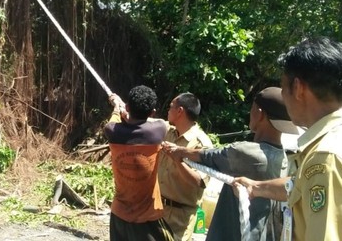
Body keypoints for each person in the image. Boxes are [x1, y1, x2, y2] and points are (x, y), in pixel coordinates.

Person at [234, 37, 342, 241]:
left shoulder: (328, 159)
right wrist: (256, 188)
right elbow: (300, 186)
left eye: (283, 88)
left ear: (298, 88)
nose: (283, 95)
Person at [165, 87, 299, 241]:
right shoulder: (282, 156)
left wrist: (180, 152)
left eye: (252, 109)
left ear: (259, 113)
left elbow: (208, 156)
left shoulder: (246, 152)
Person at [104, 85, 174, 241]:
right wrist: (126, 110)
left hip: (119, 214)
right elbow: (152, 121)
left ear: (128, 107)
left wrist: (117, 105)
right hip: (148, 218)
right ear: (152, 112)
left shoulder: (111, 131)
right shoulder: (159, 130)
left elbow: (116, 118)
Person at [157, 92, 213, 241]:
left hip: (180, 218)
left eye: (170, 107)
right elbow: (146, 120)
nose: (168, 111)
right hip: (157, 209)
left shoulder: (201, 145)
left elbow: (199, 182)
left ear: (180, 111)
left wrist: (178, 159)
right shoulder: (168, 132)